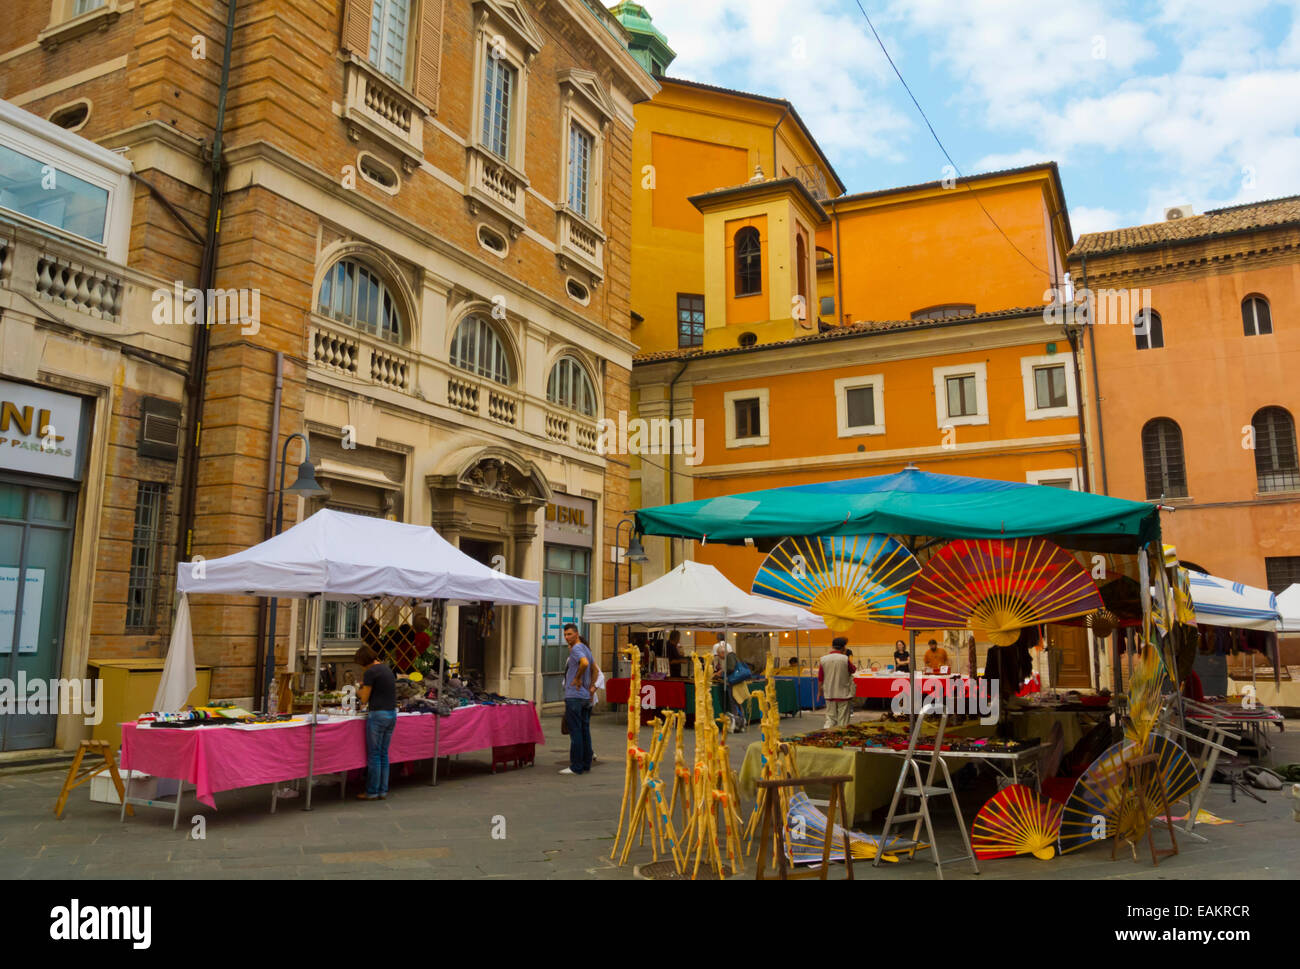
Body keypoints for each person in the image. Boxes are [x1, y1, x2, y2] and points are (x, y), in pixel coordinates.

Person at [355, 644, 397, 800]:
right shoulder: (386, 669)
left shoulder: (370, 672)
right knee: (383, 754)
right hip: (391, 714)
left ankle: (372, 791)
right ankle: (383, 790)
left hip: (378, 714)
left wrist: (357, 689)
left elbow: (364, 698)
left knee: (374, 754)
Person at [561, 623, 599, 775]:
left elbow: (585, 664)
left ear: (576, 634)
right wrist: (590, 688)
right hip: (584, 697)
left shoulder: (577, 648)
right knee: (584, 730)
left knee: (575, 731)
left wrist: (577, 678)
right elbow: (594, 669)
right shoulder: (586, 648)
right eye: (565, 635)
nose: (566, 637)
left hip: (575, 696)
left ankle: (576, 766)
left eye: (569, 634)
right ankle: (586, 764)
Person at [818, 637, 857, 728]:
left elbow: (820, 678)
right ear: (844, 647)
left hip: (829, 693)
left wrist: (819, 691)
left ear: (832, 646)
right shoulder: (844, 659)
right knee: (842, 720)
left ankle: (827, 735)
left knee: (830, 719)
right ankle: (841, 738)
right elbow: (853, 670)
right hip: (843, 694)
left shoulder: (823, 659)